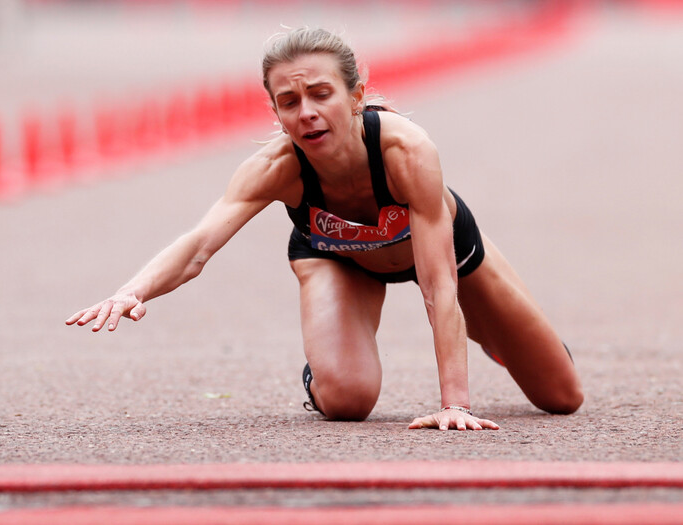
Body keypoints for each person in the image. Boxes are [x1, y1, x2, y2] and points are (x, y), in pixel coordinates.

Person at [66, 27, 583, 431]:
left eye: (320, 94)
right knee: (347, 401)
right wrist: (132, 290)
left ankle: (496, 336)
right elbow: (199, 245)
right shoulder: (276, 168)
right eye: (290, 102)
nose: (307, 113)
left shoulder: (406, 151)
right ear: (275, 110)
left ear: (355, 96)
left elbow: (438, 283)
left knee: (561, 397)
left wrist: (455, 405)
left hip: (441, 255)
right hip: (338, 259)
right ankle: (323, 368)